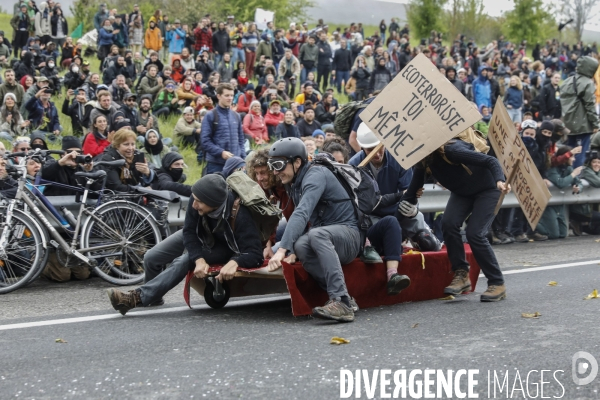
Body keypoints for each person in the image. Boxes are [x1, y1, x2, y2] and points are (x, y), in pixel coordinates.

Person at [106, 174, 263, 315]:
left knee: (184, 261)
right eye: (194, 198)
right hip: (200, 233)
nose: (194, 205)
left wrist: (234, 262)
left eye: (199, 202)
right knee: (151, 257)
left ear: (213, 203)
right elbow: (189, 232)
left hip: (224, 246)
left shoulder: (240, 214)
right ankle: (154, 297)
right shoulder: (198, 201)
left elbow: (255, 254)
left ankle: (136, 298)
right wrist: (199, 258)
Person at [401, 133, 510, 302]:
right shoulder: (423, 162)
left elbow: (491, 161)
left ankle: (497, 282)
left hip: (488, 189)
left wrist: (499, 180)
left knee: (475, 233)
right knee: (448, 223)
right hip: (463, 193)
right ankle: (461, 273)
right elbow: (411, 194)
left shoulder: (452, 150)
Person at [266, 137, 361, 322]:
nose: (275, 172)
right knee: (301, 244)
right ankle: (346, 298)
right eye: (272, 165)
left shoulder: (315, 174)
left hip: (349, 236)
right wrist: (291, 249)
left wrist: (282, 250)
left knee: (316, 235)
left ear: (297, 162)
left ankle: (340, 301)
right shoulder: (294, 182)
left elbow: (302, 213)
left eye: (279, 164)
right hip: (325, 236)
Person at [561, 56, 600, 168]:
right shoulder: (587, 83)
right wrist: (595, 123)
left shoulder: (568, 80)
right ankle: (576, 177)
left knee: (570, 149)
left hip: (568, 121)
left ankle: (567, 171)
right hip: (582, 122)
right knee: (581, 150)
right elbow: (590, 106)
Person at [534, 146, 582, 239]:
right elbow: (560, 183)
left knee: (563, 234)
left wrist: (578, 187)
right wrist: (573, 174)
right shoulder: (552, 169)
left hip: (559, 204)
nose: (574, 159)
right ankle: (533, 226)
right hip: (549, 204)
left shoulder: (568, 168)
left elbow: (578, 182)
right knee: (553, 235)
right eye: (572, 157)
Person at [201, 83, 246, 174]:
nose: (230, 98)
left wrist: (242, 157)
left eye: (232, 95)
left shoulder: (236, 116)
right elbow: (205, 141)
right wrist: (221, 152)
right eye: (226, 95)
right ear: (218, 96)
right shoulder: (210, 115)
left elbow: (241, 139)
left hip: (235, 164)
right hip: (216, 164)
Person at [99, 128, 156, 192]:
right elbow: (116, 187)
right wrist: (142, 190)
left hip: (135, 195)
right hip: (115, 198)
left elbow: (157, 173)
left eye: (133, 144)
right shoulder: (109, 159)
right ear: (117, 145)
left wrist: (148, 172)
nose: (130, 148)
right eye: (126, 144)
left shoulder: (136, 154)